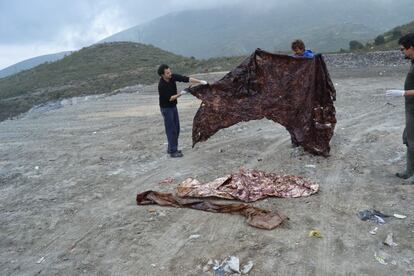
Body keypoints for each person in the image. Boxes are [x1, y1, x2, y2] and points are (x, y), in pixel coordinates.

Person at [157, 64, 207, 158]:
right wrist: (182, 93)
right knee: (171, 130)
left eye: (170, 71)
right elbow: (171, 98)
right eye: (167, 73)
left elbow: (186, 79)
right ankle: (173, 151)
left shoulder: (172, 77)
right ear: (162, 75)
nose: (170, 74)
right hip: (166, 108)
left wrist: (200, 81)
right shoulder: (162, 85)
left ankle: (171, 148)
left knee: (177, 128)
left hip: (173, 106)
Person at [386, 33, 414, 184]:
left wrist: (403, 93)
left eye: (403, 49)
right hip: (411, 108)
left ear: (412, 47)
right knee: (409, 140)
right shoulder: (413, 62)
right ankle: (410, 171)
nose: (402, 52)